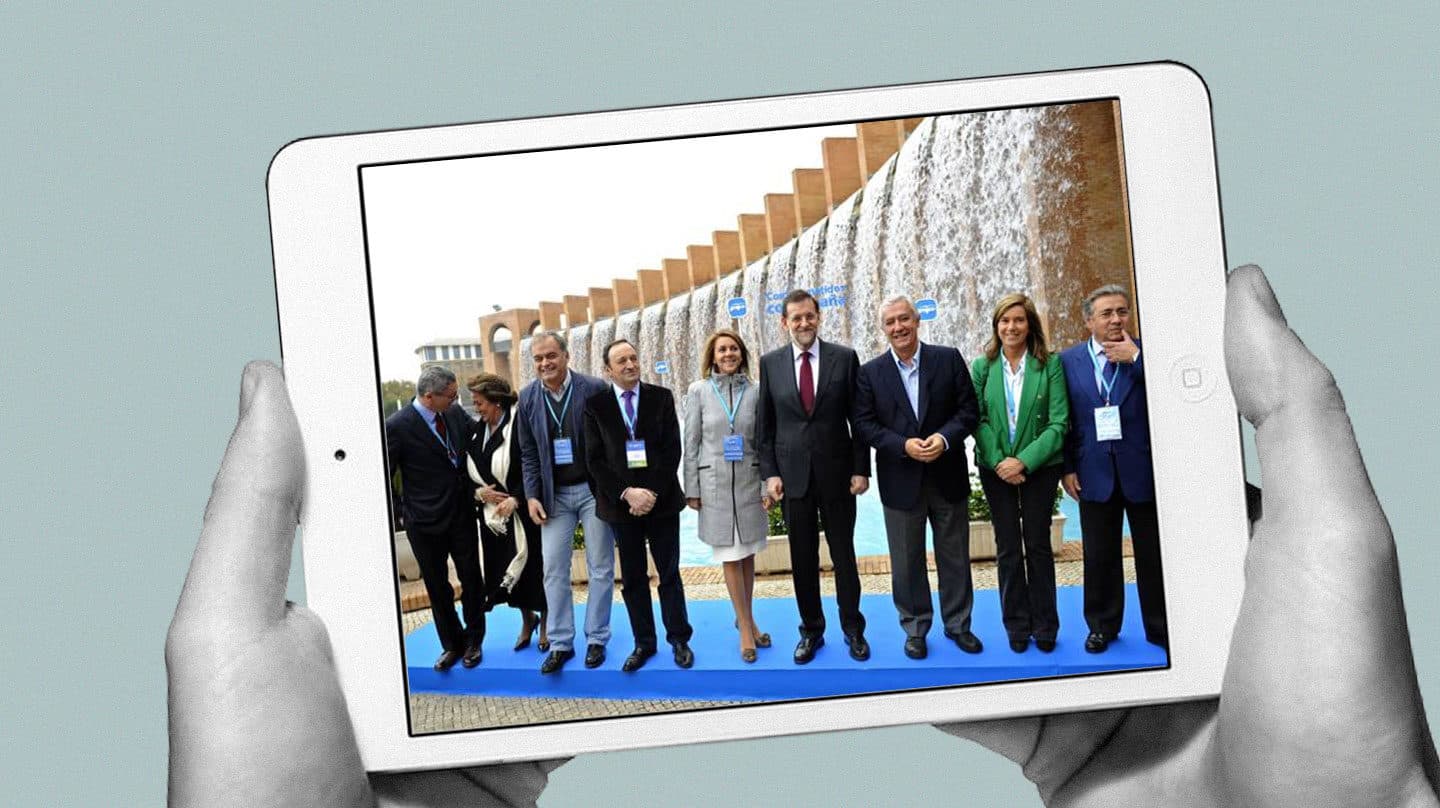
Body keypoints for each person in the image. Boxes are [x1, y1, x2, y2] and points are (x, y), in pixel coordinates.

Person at [169, 267, 1440, 806]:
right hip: (735, 489)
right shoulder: (735, 382)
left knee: (821, 573)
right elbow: (763, 430)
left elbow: (926, 407)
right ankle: (631, 648)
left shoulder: (929, 360)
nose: (727, 347)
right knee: (618, 576)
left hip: (908, 478)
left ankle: (871, 629)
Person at [854, 296, 981, 660]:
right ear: (884, 329)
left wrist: (943, 439)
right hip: (900, 479)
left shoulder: (948, 358)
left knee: (954, 556)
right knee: (906, 562)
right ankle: (915, 628)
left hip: (947, 474)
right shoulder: (870, 373)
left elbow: (968, 410)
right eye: (891, 322)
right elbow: (864, 425)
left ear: (917, 319)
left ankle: (958, 625)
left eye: (904, 319)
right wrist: (902, 445)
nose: (899, 327)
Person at [755, 288, 872, 664]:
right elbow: (765, 428)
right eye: (796, 318)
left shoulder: (844, 358)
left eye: (809, 316)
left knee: (844, 557)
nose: (804, 323)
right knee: (802, 560)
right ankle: (811, 631)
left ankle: (853, 629)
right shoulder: (770, 363)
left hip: (838, 476)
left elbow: (860, 419)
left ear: (818, 318)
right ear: (784, 322)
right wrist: (770, 475)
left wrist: (861, 468)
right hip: (793, 480)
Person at [1058, 283, 1167, 652]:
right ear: (1089, 321)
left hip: (1143, 469)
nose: (1117, 319)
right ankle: (1102, 626)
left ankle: (1160, 625)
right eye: (1107, 313)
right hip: (1094, 472)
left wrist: (1137, 360)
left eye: (1122, 311)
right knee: (1099, 555)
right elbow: (1065, 419)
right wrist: (1067, 468)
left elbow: (1169, 397)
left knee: (1152, 552)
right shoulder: (1068, 361)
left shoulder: (1147, 353)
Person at [582, 339, 695, 671]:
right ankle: (644, 643)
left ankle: (679, 639)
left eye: (633, 358)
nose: (630, 364)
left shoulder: (661, 397)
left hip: (660, 501)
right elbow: (595, 460)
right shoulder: (595, 405)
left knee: (669, 573)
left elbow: (671, 450)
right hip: (621, 506)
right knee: (632, 577)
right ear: (608, 370)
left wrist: (649, 493)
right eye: (621, 361)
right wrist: (628, 493)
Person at [970, 292, 1070, 653]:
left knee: (1038, 545)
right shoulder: (982, 367)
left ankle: (1045, 625)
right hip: (995, 469)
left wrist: (1023, 461)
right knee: (1008, 547)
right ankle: (1016, 624)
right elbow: (976, 417)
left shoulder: (1050, 365)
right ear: (996, 326)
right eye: (1004, 321)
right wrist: (1000, 461)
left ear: (1030, 325)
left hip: (1039, 469)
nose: (1011, 327)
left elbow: (1059, 423)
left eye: (1019, 320)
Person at [514, 331, 615, 674]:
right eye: (538, 358)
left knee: (601, 566)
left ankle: (597, 638)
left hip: (592, 491)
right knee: (554, 570)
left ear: (566, 356)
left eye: (550, 356)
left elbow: (611, 442)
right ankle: (561, 643)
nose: (545, 363)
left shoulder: (595, 389)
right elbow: (527, 453)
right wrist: (531, 495)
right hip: (553, 496)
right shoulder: (527, 398)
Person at [383, 366, 487, 671]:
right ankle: (452, 644)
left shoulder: (454, 415)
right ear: (430, 397)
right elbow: (386, 475)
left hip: (461, 512)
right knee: (437, 584)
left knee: (471, 576)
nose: (456, 401)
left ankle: (474, 641)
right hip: (423, 521)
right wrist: (402, 511)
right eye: (451, 396)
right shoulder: (397, 426)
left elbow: (479, 439)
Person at [683, 329, 771, 663]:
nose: (728, 354)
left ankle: (745, 618)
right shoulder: (699, 391)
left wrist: (766, 486)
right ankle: (747, 630)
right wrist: (691, 488)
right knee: (731, 557)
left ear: (742, 353)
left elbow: (763, 441)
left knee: (747, 554)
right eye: (722, 349)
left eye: (733, 348)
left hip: (748, 482)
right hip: (715, 486)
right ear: (713, 356)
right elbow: (691, 442)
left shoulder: (756, 392)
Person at [465, 372, 548, 653]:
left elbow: (535, 464)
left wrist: (518, 498)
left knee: (535, 568)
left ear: (497, 402)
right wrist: (480, 494)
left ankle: (547, 623)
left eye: (480, 403)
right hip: (494, 518)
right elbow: (467, 476)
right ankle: (527, 620)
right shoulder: (475, 431)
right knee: (507, 572)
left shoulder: (519, 424)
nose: (477, 409)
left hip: (525, 512)